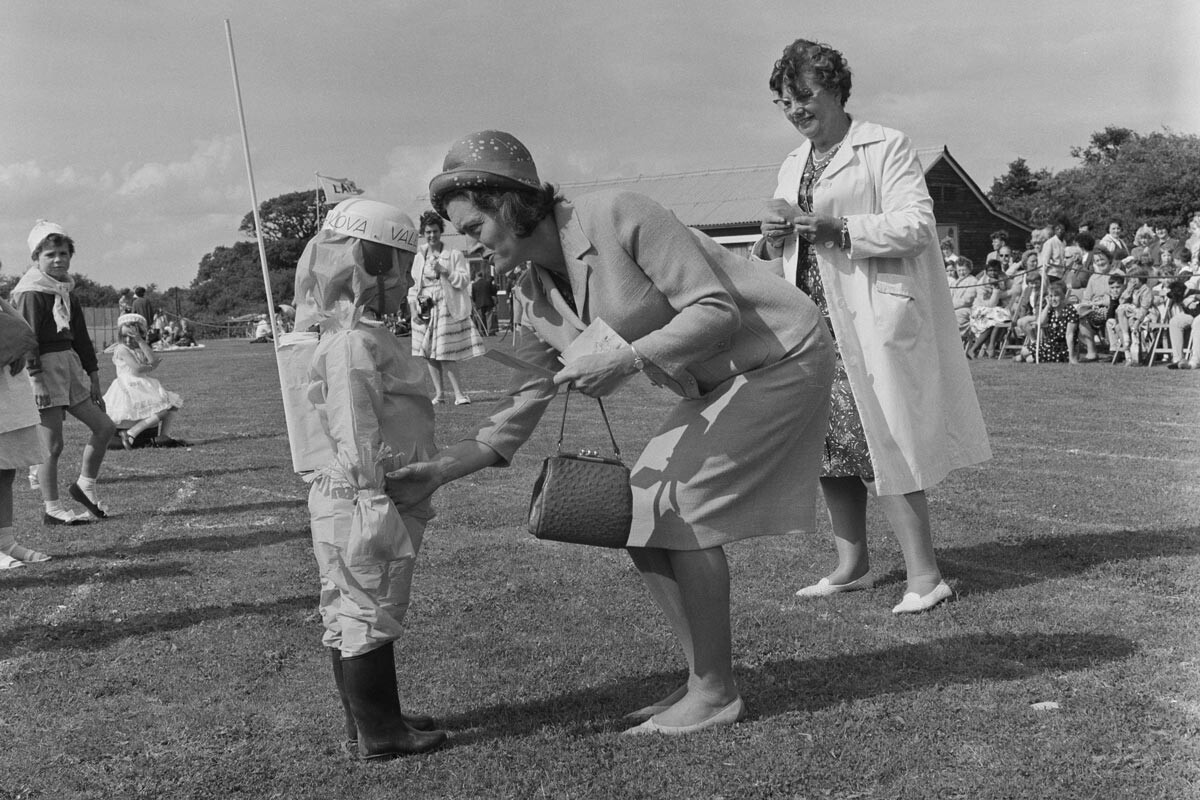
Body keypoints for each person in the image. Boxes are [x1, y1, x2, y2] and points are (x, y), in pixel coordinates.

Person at [387, 130, 834, 735]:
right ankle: (704, 679)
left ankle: (717, 693)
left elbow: (715, 309)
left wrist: (623, 360)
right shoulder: (532, 295)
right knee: (637, 507)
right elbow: (526, 398)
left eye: (473, 230)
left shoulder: (621, 213)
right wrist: (440, 471)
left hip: (782, 355)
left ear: (511, 205)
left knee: (681, 506)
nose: (468, 249)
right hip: (714, 382)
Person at [758, 38, 990, 614]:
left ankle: (925, 575)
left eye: (804, 96)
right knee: (828, 447)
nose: (795, 110)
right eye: (784, 101)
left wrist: (843, 230)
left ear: (836, 89)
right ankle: (851, 565)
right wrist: (773, 234)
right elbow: (783, 248)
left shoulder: (885, 146)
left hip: (871, 317)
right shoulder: (793, 162)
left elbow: (916, 225)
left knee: (887, 439)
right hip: (812, 323)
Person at [287, 198, 446, 760]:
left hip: (361, 492)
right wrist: (370, 492)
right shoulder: (353, 339)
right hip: (366, 494)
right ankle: (382, 734)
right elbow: (353, 421)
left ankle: (370, 720)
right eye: (396, 262)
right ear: (370, 263)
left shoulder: (358, 331)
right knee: (368, 606)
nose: (406, 277)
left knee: (348, 605)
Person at [12, 221, 117, 524]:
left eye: (63, 253)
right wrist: (36, 379)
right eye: (50, 255)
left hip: (68, 365)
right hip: (44, 369)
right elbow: (26, 337)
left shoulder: (66, 289)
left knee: (105, 427)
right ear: (36, 258)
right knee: (52, 444)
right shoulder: (32, 292)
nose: (58, 259)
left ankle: (85, 486)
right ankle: (52, 508)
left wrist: (94, 375)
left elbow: (81, 337)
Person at [408, 211, 483, 405]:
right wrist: (413, 311)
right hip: (425, 307)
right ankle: (439, 394)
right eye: (428, 232)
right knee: (429, 354)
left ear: (441, 232)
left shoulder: (454, 254)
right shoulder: (420, 255)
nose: (432, 236)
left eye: (435, 231)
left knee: (445, 352)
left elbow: (464, 281)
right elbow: (413, 285)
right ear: (423, 233)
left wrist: (446, 271)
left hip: (446, 306)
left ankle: (459, 394)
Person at [0, 296, 51, 568]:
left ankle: (5, 541)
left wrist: (18, 349)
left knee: (6, 471)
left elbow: (24, 331)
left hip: (9, 399)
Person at [103, 313, 186, 449]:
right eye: (124, 337)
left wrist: (141, 342)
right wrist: (152, 366)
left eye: (132, 337)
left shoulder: (137, 347)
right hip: (130, 385)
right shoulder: (121, 349)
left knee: (172, 406)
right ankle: (131, 433)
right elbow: (137, 369)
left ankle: (163, 436)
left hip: (143, 383)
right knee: (163, 410)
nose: (128, 340)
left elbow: (152, 358)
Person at [1029, 281, 1078, 364]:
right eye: (1051, 296)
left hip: (1062, 348)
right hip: (1050, 345)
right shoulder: (1051, 309)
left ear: (1063, 297)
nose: (1053, 299)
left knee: (1027, 358)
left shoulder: (1070, 310)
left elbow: (1070, 335)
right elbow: (1039, 323)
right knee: (1023, 353)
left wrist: (1071, 356)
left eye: (1056, 296)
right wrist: (1048, 305)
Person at [470, 264, 498, 336]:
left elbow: (473, 296)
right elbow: (493, 292)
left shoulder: (474, 285)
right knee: (489, 317)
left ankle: (483, 332)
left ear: (477, 276)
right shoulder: (488, 283)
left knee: (481, 318)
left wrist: (475, 302)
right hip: (488, 302)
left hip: (479, 303)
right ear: (482, 276)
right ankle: (490, 331)